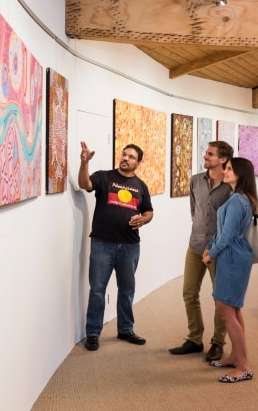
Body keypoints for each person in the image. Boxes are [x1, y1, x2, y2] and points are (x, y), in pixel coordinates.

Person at [78, 141, 154, 351]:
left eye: (131, 157)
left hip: (130, 246)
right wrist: (84, 163)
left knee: (127, 290)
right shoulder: (104, 177)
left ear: (138, 163)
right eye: (124, 154)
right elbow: (85, 184)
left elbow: (148, 211)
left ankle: (125, 329)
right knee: (97, 290)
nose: (125, 159)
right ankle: (93, 333)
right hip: (103, 244)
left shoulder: (140, 186)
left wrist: (144, 219)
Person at [169, 141, 233, 362]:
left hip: (218, 250)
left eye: (210, 154)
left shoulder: (230, 185)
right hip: (195, 245)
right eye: (206, 153)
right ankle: (195, 339)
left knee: (219, 298)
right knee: (189, 293)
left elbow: (231, 222)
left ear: (223, 159)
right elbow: (194, 211)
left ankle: (217, 343)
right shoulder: (196, 180)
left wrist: (216, 246)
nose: (205, 156)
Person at [202, 157, 258, 383]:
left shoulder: (237, 201)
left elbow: (227, 235)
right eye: (226, 168)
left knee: (225, 311)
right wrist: (210, 246)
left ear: (240, 174)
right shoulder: (240, 198)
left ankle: (243, 367)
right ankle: (235, 356)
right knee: (233, 309)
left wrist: (211, 254)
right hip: (233, 254)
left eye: (229, 169)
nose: (225, 171)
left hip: (233, 257)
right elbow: (223, 230)